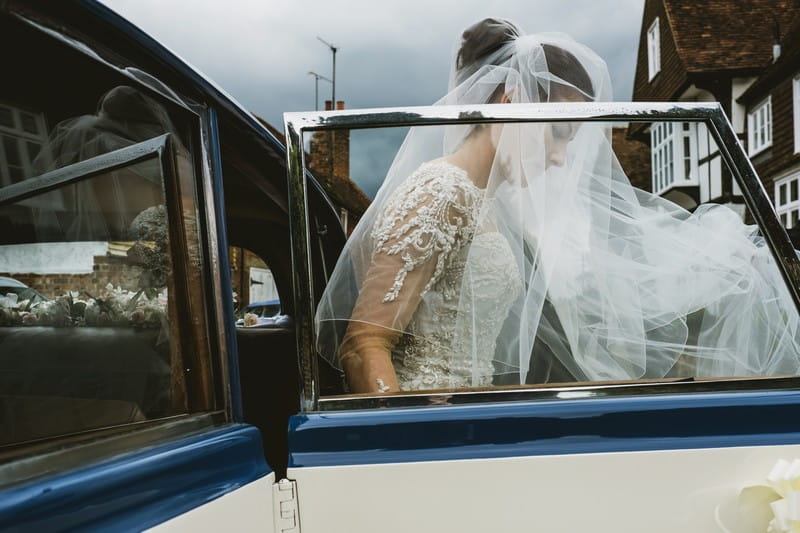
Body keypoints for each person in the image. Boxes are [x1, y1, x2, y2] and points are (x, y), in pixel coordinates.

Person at [316, 18, 800, 394]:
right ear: (509, 100)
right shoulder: (441, 191)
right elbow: (364, 345)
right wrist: (402, 454)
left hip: (469, 423)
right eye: (559, 132)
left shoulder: (488, 205)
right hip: (424, 434)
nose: (560, 156)